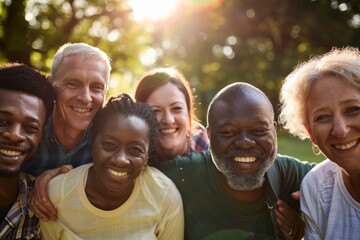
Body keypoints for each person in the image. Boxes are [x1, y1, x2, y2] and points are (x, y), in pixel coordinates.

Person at [158, 82, 315, 240]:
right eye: (228, 131)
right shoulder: (182, 176)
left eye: (259, 130)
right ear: (210, 136)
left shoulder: (294, 177)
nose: (245, 142)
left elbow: (337, 179)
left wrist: (307, 230)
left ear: (273, 131)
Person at [40, 93, 184, 239]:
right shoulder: (56, 195)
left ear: (146, 157)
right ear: (92, 143)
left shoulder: (164, 195)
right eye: (109, 145)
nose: (120, 160)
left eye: (135, 150)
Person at [279, 47, 360, 239]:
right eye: (323, 117)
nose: (340, 130)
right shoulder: (316, 187)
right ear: (311, 134)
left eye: (353, 109)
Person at [24, 42, 111, 176]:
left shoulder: (110, 141)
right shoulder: (26, 130)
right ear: (51, 86)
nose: (85, 98)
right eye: (73, 84)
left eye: (96, 87)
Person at [0, 63, 54, 239]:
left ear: (42, 135)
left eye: (30, 127)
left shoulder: (45, 208)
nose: (15, 135)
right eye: (2, 121)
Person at [134, 67, 209, 165]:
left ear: (188, 111)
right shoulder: (134, 161)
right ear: (140, 117)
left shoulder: (203, 144)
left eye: (176, 108)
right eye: (155, 111)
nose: (168, 120)